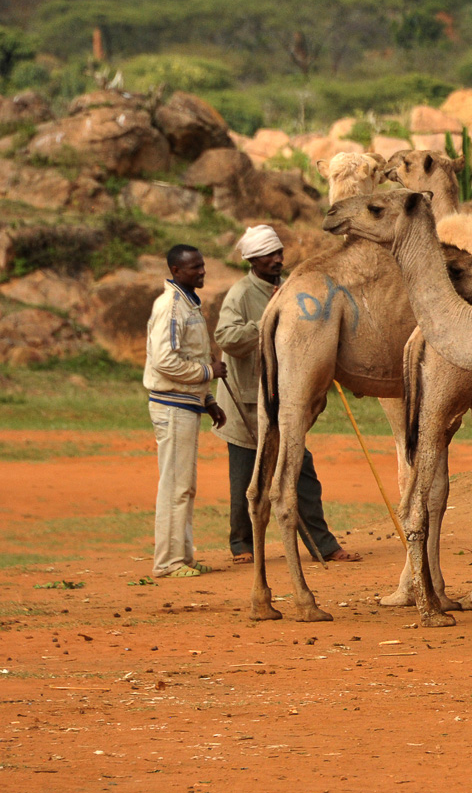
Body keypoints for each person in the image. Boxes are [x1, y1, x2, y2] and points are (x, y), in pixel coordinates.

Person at [214, 225, 359, 565]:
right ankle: (241, 545)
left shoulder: (289, 288)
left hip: (284, 401)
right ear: (252, 259)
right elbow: (226, 336)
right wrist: (267, 323)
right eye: (269, 255)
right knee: (245, 478)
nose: (277, 259)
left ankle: (323, 545)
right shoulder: (240, 294)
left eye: (279, 253)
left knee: (302, 472)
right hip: (246, 402)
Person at [145, 244, 226, 578]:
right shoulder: (171, 305)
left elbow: (189, 355)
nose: (202, 271)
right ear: (177, 271)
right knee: (176, 485)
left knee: (184, 485)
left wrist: (208, 400)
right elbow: (164, 361)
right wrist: (208, 374)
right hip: (172, 404)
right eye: (195, 268)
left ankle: (183, 556)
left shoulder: (189, 303)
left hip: (187, 403)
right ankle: (168, 562)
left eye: (203, 265)